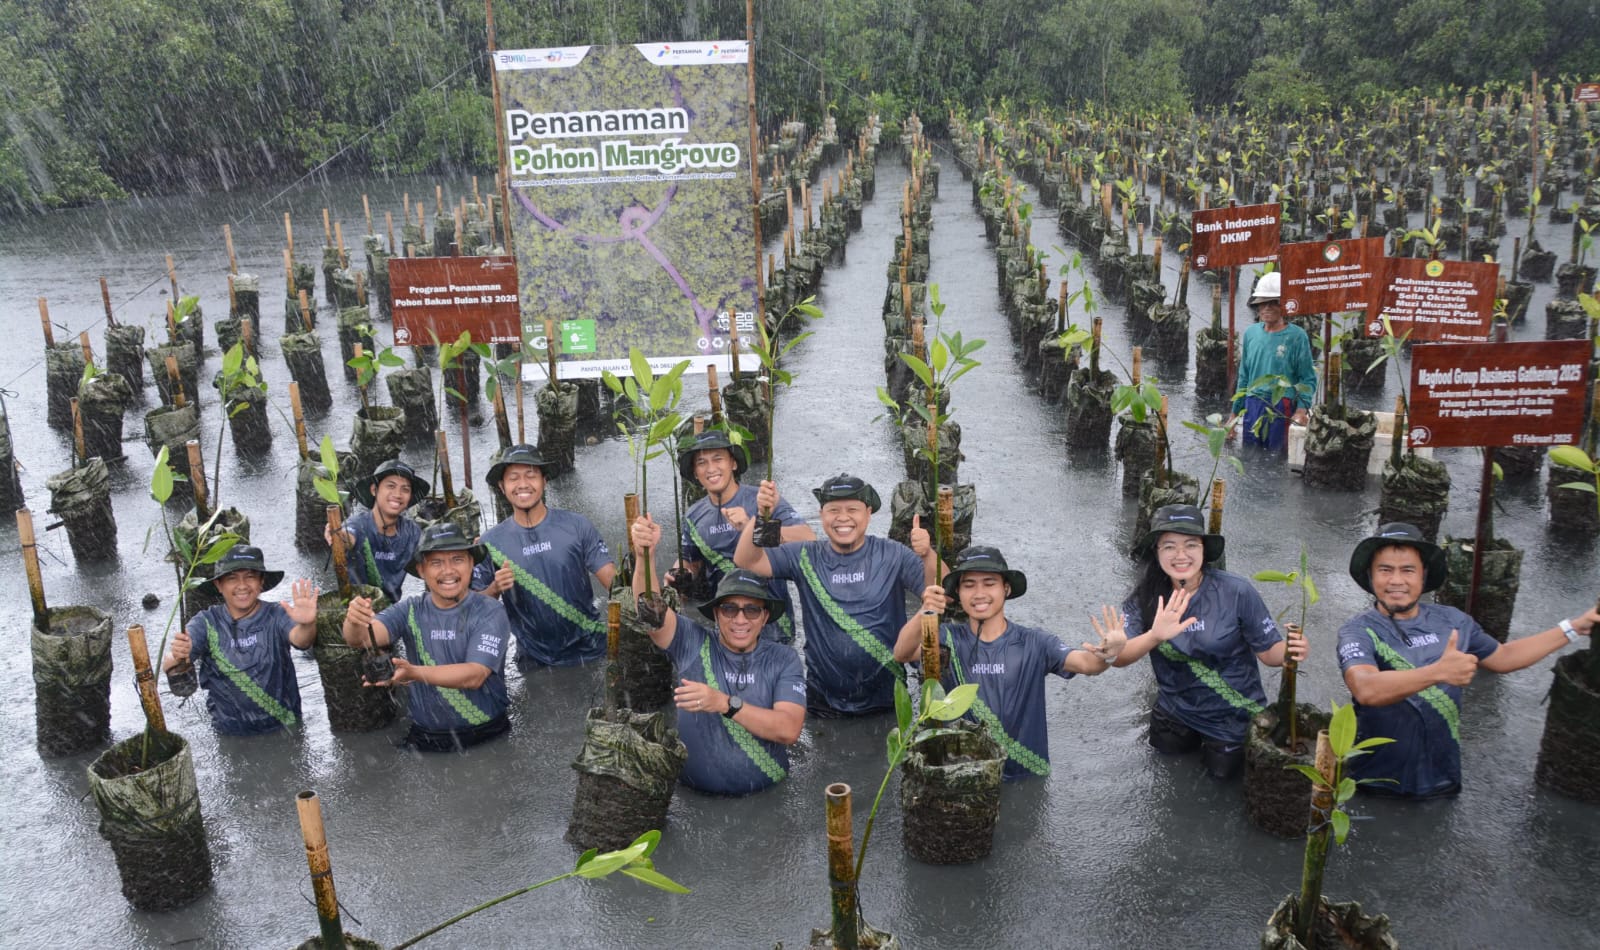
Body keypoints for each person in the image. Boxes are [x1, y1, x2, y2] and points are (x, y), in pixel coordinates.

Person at [1337, 523, 1600, 799]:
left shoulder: (1453, 621)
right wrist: (1438, 672)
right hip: (1374, 782)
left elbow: (1504, 657)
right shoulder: (1358, 631)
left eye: (1408, 570)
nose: (1396, 580)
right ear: (1370, 575)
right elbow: (1365, 688)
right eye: (1385, 569)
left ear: (1424, 576)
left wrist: (1573, 628)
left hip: (1444, 778)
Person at [894, 545, 1125, 781]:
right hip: (964, 776)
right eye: (969, 585)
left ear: (1006, 588)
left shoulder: (1035, 642)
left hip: (1027, 773)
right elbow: (902, 653)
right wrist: (924, 611)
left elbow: (1087, 664)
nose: (979, 593)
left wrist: (1110, 652)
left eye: (989, 583)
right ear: (959, 593)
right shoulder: (945, 638)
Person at [1113, 504, 1307, 779]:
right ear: (1157, 552)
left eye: (1190, 545)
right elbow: (1120, 657)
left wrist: (1290, 650)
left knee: (1224, 785)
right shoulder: (1145, 598)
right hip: (1173, 712)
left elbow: (1269, 653)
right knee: (1169, 781)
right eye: (1169, 546)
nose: (1180, 555)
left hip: (1232, 716)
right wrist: (1154, 634)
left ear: (1204, 550)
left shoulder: (1236, 592)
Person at [735, 473, 939, 716]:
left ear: (868, 512)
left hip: (888, 698)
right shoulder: (804, 556)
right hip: (824, 702)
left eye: (852, 509)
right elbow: (747, 561)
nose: (843, 518)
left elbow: (938, 591)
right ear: (822, 515)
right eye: (833, 510)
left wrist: (927, 554)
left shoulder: (893, 555)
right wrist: (760, 515)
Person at [631, 514, 805, 795]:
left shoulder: (783, 659)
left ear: (764, 618)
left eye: (751, 610)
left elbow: (788, 730)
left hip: (767, 800)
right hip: (695, 799)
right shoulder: (691, 640)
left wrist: (725, 703)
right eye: (729, 609)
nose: (740, 619)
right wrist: (644, 557)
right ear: (715, 614)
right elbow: (652, 612)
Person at [343, 522, 511, 751]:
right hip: (426, 736)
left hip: (487, 734)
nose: (448, 570)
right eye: (436, 563)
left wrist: (414, 673)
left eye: (457, 560)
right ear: (421, 570)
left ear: (472, 563)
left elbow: (475, 675)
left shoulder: (490, 611)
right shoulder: (410, 609)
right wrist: (354, 620)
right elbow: (360, 638)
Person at [471, 444, 617, 670]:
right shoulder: (490, 543)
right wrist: (495, 588)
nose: (523, 484)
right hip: (534, 661)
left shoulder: (576, 525)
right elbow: (472, 609)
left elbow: (615, 585)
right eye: (513, 478)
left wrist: (641, 557)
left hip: (591, 650)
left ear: (544, 481)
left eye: (531, 475)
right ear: (502, 486)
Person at [672, 429, 814, 643]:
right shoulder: (693, 515)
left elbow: (808, 539)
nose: (711, 468)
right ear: (695, 472)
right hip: (727, 620)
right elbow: (692, 562)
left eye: (718, 459)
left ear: (733, 464)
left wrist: (752, 528)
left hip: (772, 621)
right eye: (701, 463)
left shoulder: (762, 499)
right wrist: (677, 573)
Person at [162, 546, 318, 736]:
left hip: (284, 727)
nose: (242, 585)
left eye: (250, 577)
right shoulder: (206, 622)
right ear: (219, 585)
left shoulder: (276, 614)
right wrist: (177, 655)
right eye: (232, 578)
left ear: (261, 582)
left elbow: (301, 641)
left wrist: (308, 624)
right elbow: (173, 660)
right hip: (230, 733)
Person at [1228, 271, 1316, 450]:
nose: (1267, 308)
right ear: (1257, 307)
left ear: (1283, 305)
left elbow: (1307, 378)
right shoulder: (1251, 334)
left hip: (1281, 405)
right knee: (1251, 454)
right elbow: (1244, 376)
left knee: (1277, 455)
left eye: (1273, 303)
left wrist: (1300, 410)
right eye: (1263, 303)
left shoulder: (1297, 337)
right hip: (1252, 403)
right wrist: (1234, 415)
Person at [327, 458, 428, 603]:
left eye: (405, 489)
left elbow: (430, 558)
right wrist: (337, 535)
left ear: (410, 496)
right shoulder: (358, 524)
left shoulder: (411, 531)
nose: (398, 494)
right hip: (355, 608)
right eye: (390, 486)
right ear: (374, 490)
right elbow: (347, 537)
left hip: (390, 611)